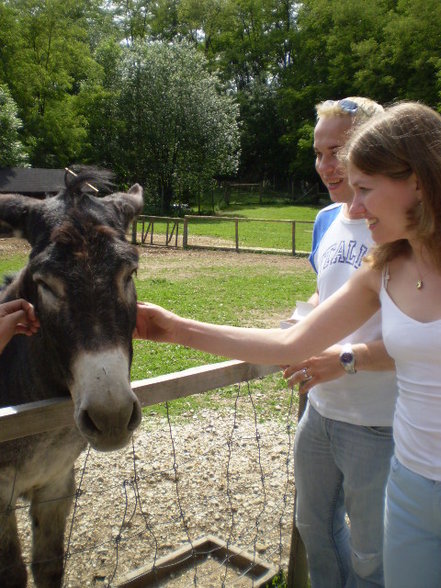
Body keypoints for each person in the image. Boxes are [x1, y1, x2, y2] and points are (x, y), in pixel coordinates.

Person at [135, 101, 441, 588]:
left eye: (364, 188)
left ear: (418, 181)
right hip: (408, 479)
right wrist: (172, 329)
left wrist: (349, 358)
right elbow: (290, 343)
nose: (355, 208)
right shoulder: (383, 266)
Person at [280, 98, 397, 588]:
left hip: (378, 425)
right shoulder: (326, 219)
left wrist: (346, 359)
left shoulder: (401, 227)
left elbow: (423, 339)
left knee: (373, 553)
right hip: (320, 411)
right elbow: (329, 288)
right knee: (315, 530)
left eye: (338, 150)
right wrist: (298, 320)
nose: (326, 166)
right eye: (318, 152)